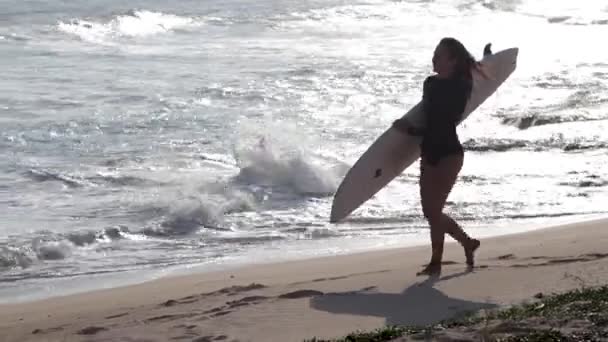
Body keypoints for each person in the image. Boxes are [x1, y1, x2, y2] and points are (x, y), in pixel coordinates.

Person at [393, 37, 484, 276]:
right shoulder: (430, 84)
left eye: (439, 55)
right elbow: (427, 118)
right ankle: (446, 256)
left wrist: (409, 130)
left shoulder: (460, 87)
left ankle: (461, 246)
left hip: (448, 155)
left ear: (453, 61)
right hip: (429, 153)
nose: (434, 58)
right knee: (431, 212)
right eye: (433, 54)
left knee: (433, 212)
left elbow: (442, 125)